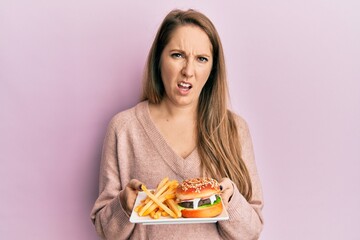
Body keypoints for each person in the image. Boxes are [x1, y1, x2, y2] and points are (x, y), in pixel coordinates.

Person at [90, 9, 264, 240]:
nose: (188, 71)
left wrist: (231, 200)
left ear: (212, 69)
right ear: (159, 59)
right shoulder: (124, 128)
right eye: (177, 55)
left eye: (201, 59)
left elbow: (252, 231)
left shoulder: (234, 129)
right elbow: (106, 230)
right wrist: (123, 205)